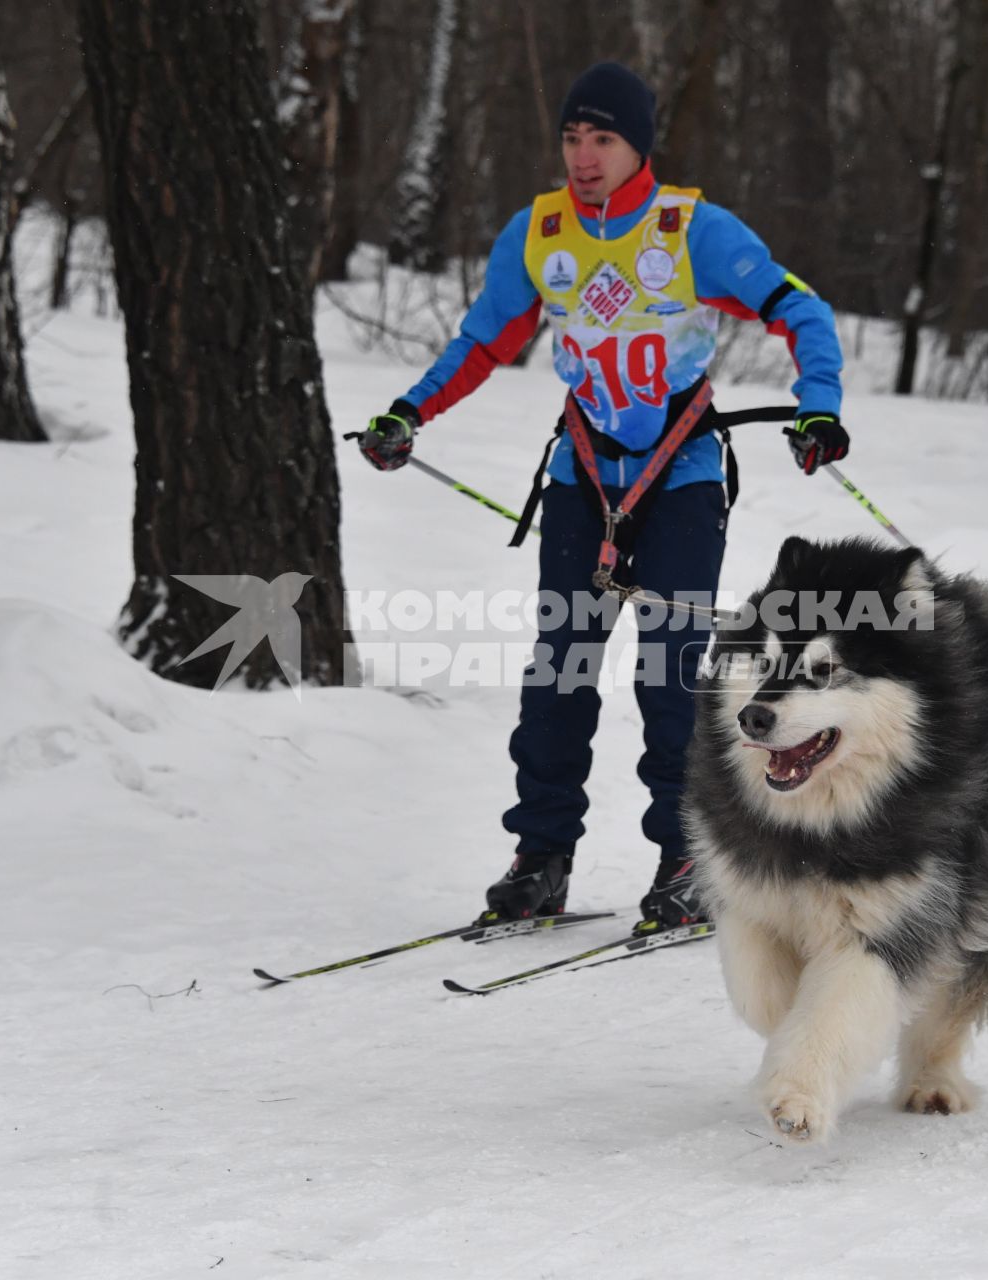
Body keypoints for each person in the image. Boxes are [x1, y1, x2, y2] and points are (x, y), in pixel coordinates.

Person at [355, 62, 849, 935]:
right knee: (559, 670)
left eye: (603, 140)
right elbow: (483, 340)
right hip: (585, 475)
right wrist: (409, 412)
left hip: (682, 476)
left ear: (637, 145)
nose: (583, 158)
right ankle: (540, 855)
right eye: (572, 140)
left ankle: (690, 853)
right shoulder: (540, 232)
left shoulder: (691, 229)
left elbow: (800, 308)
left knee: (668, 673)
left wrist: (819, 406)